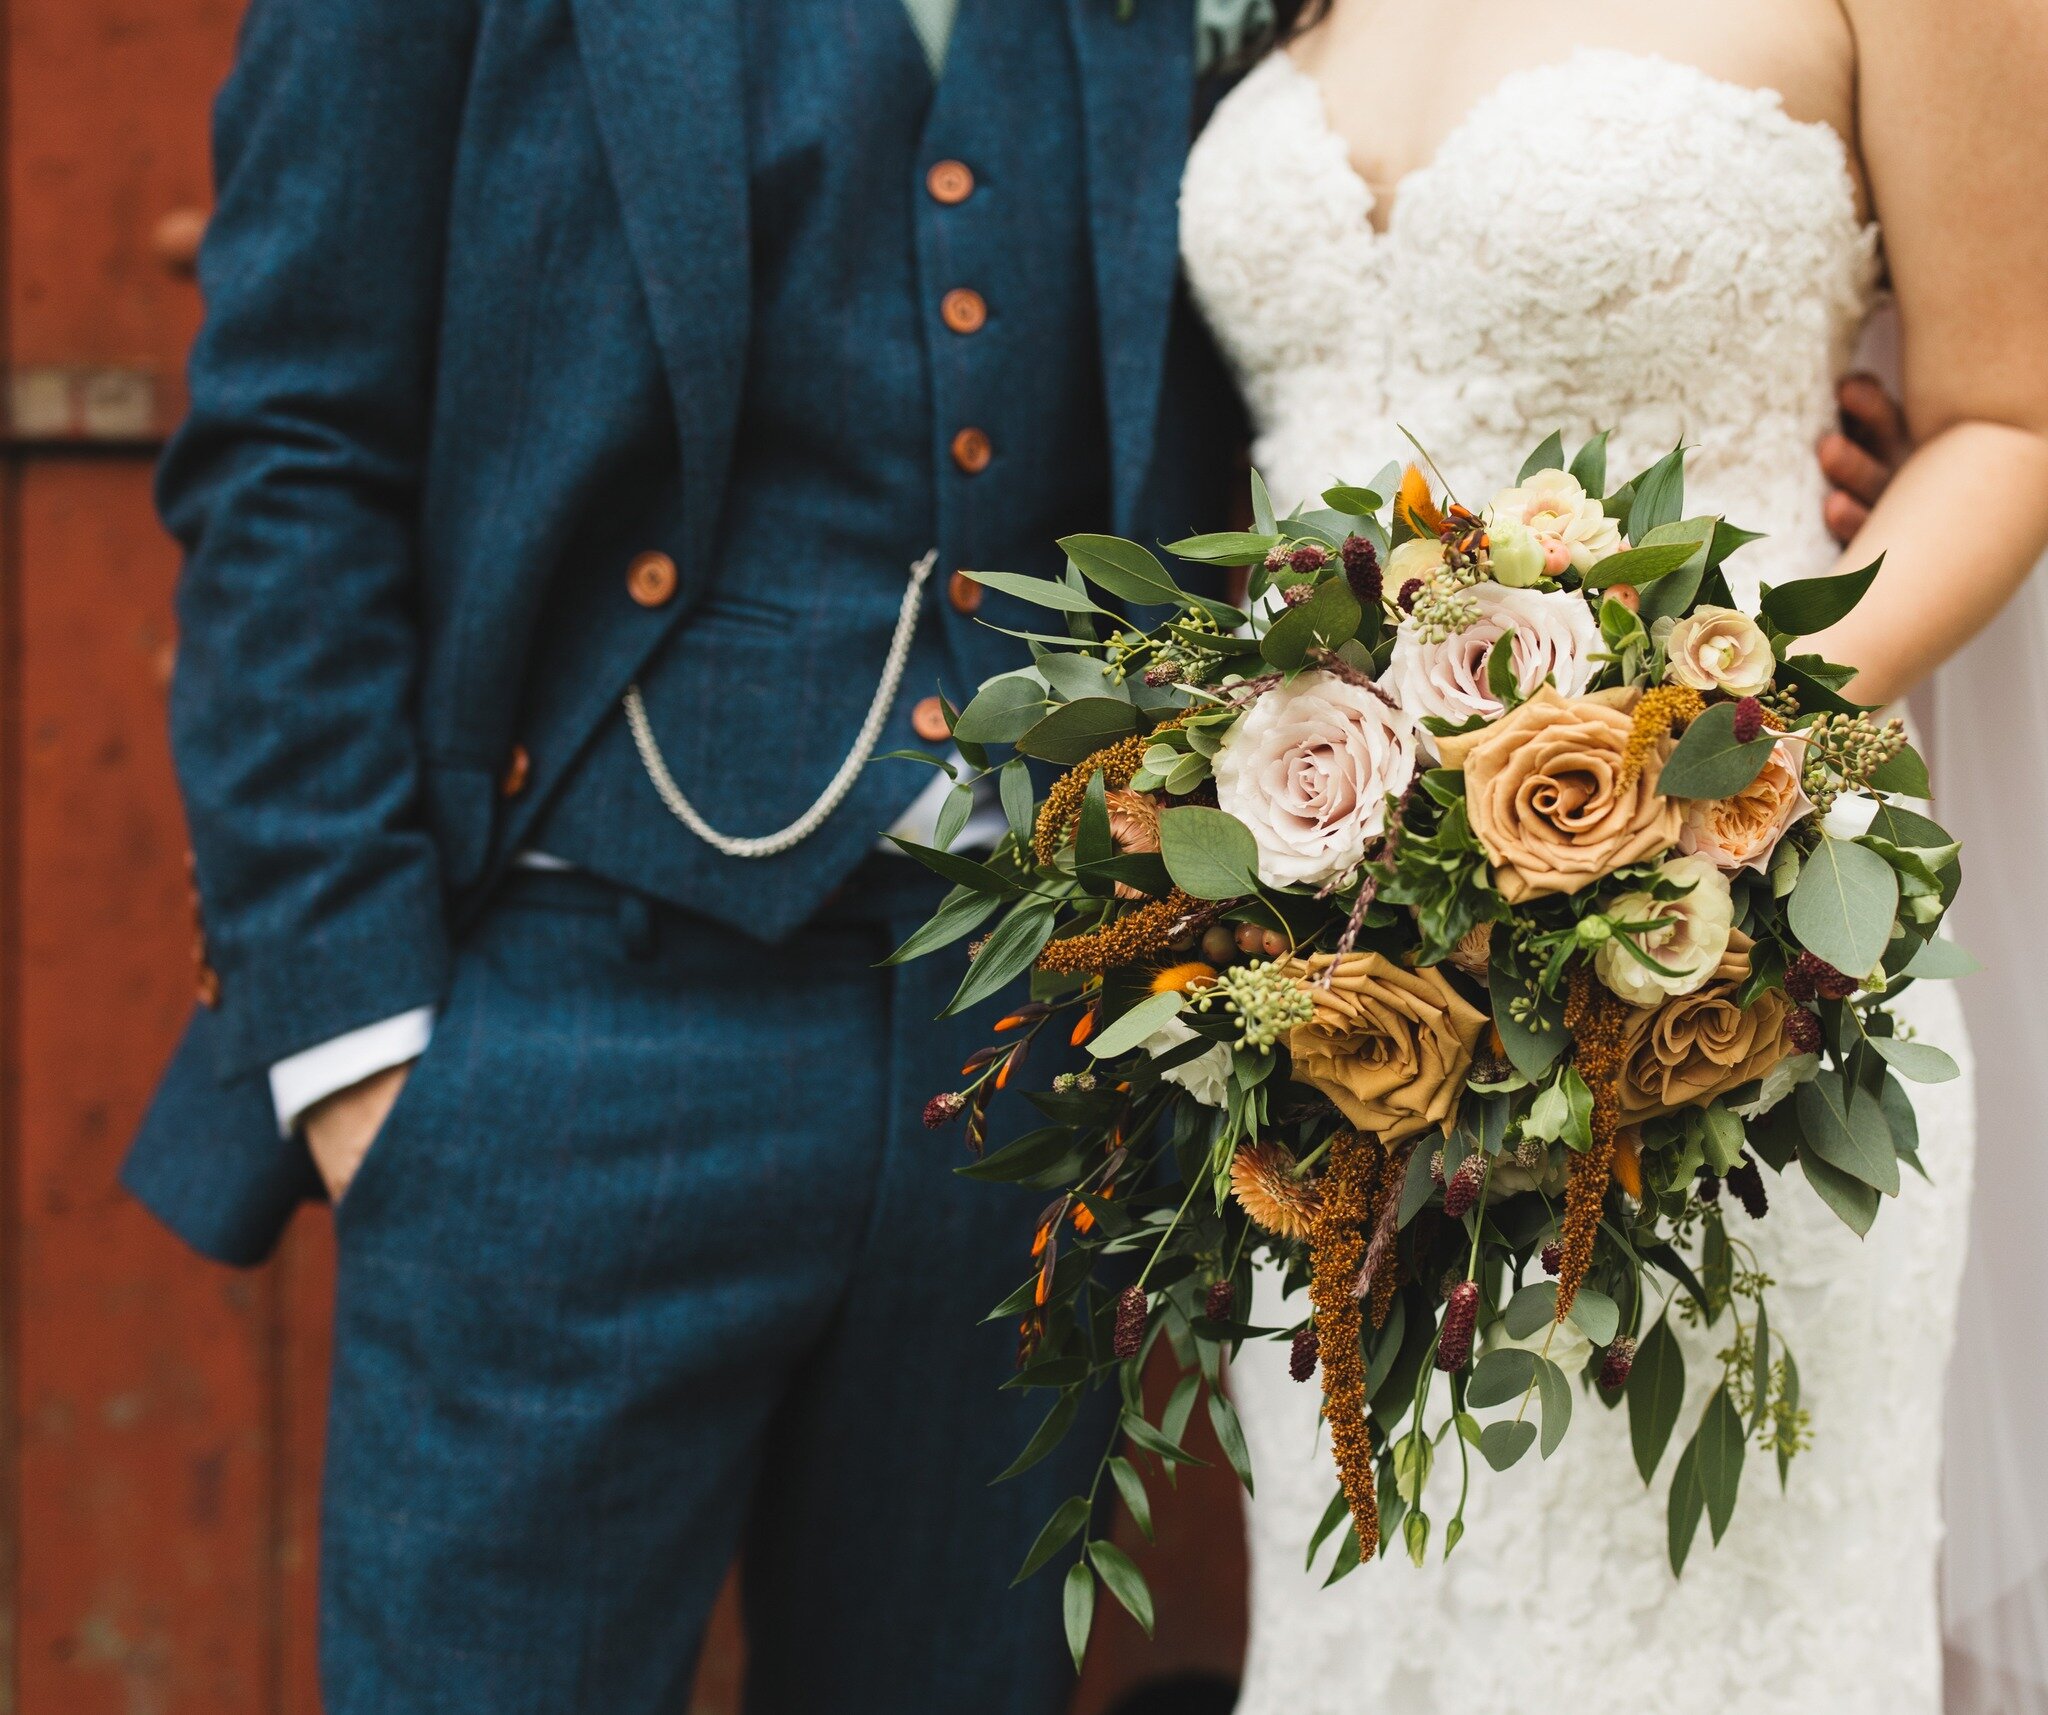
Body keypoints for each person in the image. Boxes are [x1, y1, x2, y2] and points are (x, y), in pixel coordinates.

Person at [123, 0, 1902, 1709]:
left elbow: (1376, 289)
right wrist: (362, 1053)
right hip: (572, 1026)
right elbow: (293, 434)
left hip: (1042, 1061)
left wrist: (1769, 427)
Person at [1179, 1, 2048, 1711]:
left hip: (1724, 966)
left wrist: (1691, 772)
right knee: (1382, 1621)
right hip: (1341, 1013)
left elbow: (2009, 419)